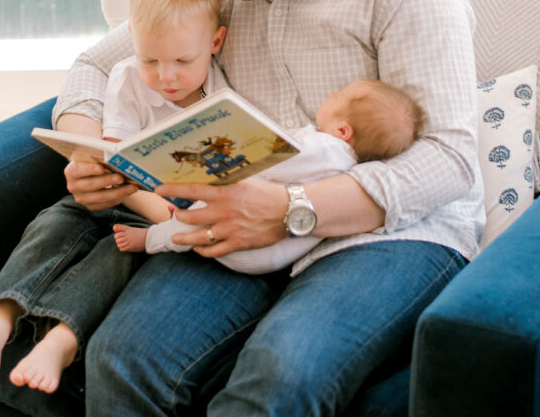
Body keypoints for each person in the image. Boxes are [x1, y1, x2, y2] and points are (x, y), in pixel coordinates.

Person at [54, 0, 484, 417]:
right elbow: (93, 67)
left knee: (274, 378)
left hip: (386, 232)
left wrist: (292, 210)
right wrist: (90, 149)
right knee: (125, 361)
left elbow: (450, 159)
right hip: (236, 219)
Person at [0, 0, 227, 393]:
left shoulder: (223, 97)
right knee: (53, 223)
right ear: (131, 41)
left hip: (173, 217)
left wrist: (169, 216)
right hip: (126, 194)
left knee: (116, 256)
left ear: (216, 42)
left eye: (183, 61)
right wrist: (126, 189)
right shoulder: (127, 77)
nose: (166, 77)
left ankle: (60, 342)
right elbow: (114, 155)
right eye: (151, 59)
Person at [114, 78, 426, 275]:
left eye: (339, 95)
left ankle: (151, 239)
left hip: (249, 247)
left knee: (188, 224)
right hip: (270, 254)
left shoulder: (328, 149)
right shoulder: (344, 161)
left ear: (343, 131)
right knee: (196, 212)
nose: (332, 92)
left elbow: (274, 160)